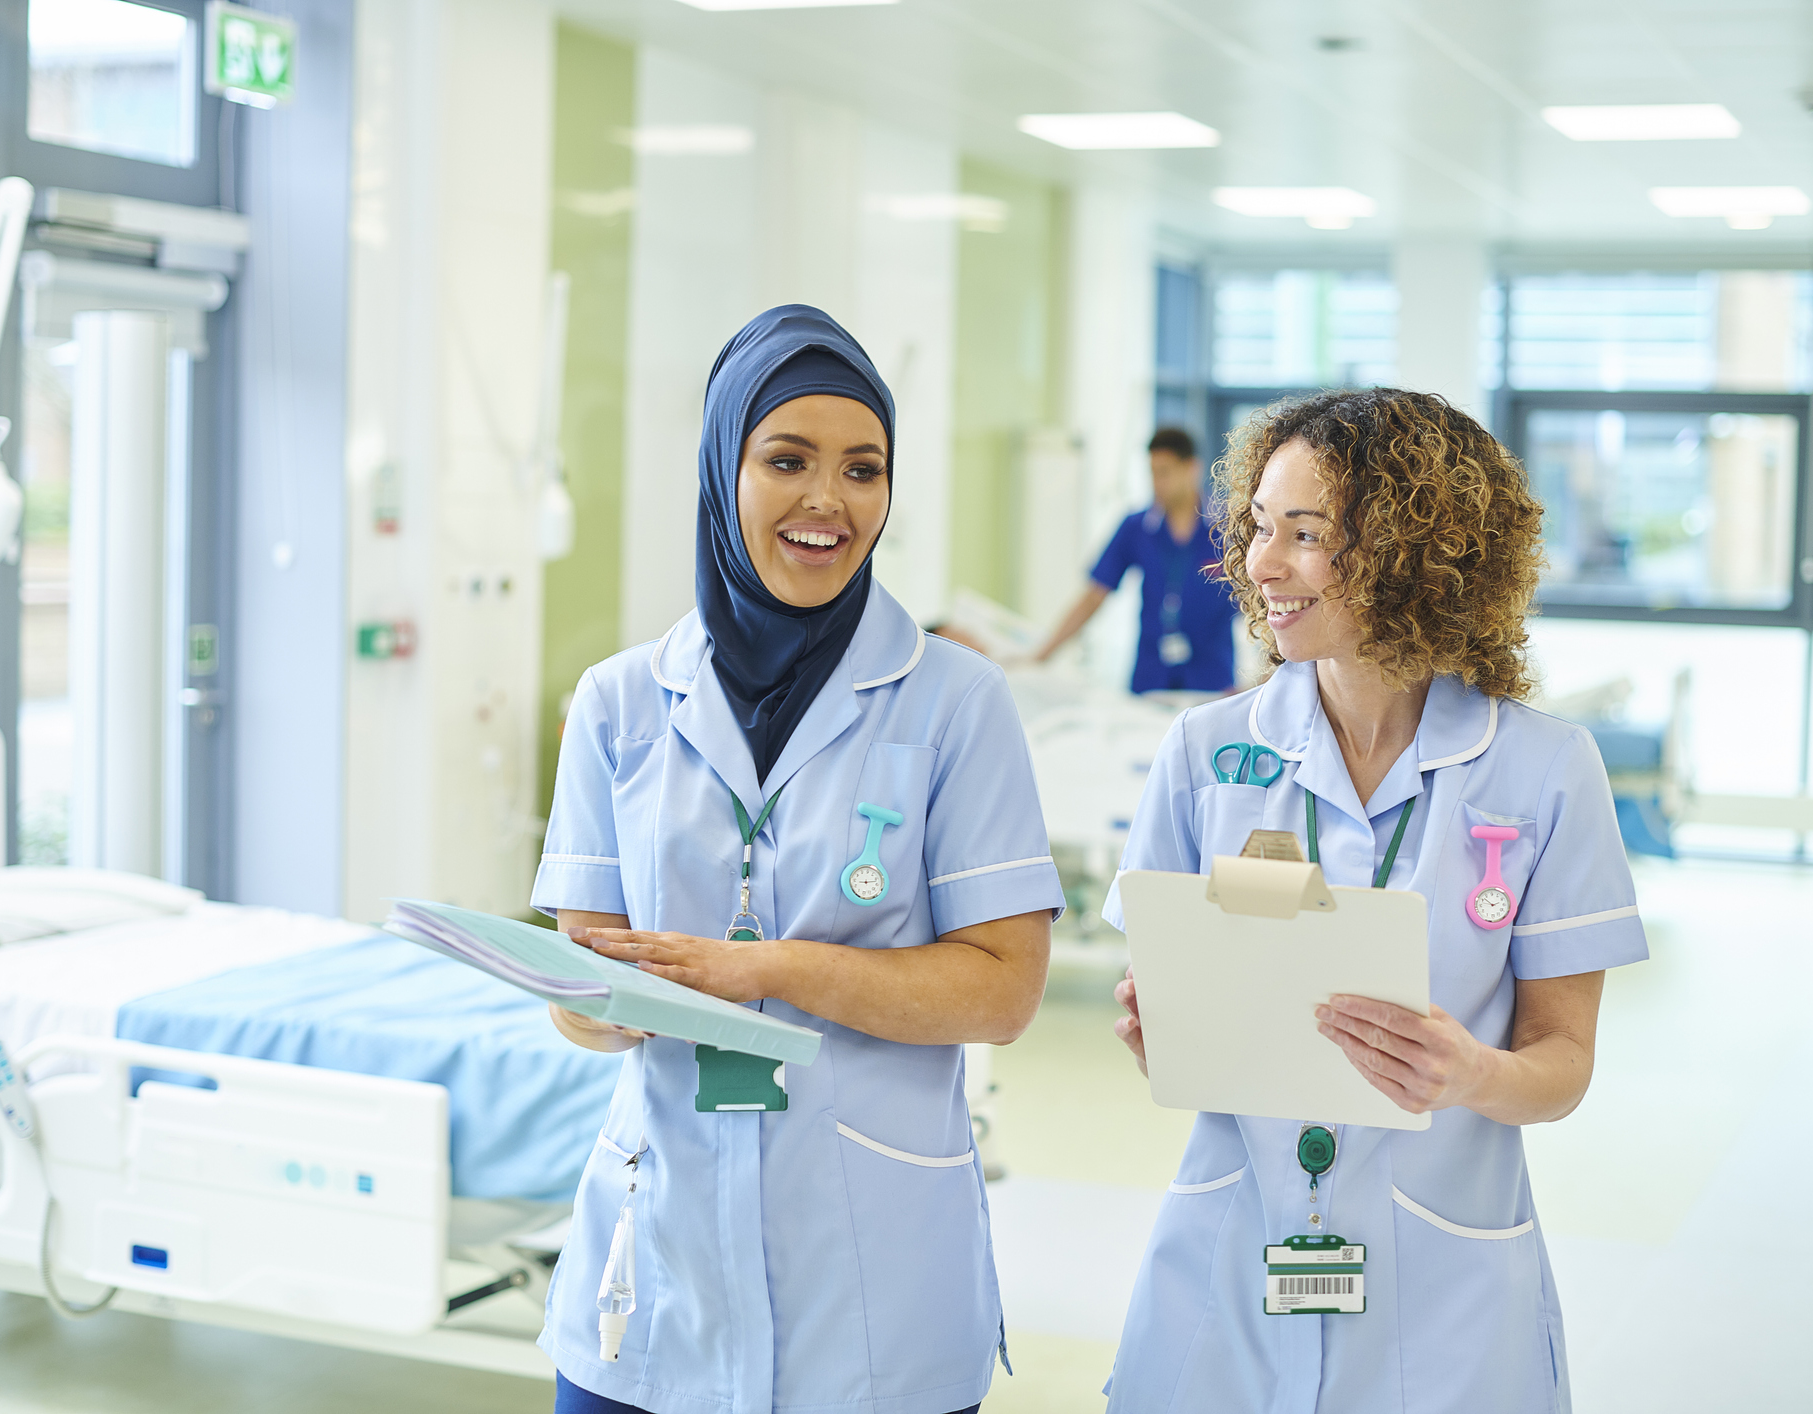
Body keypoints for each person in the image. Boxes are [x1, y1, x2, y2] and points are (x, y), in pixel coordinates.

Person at [533, 305, 1065, 1414]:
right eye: (788, 460)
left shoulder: (955, 702)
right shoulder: (621, 702)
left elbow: (1005, 989)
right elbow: (576, 1006)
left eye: (863, 469)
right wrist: (610, 999)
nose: (830, 500)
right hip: (651, 1274)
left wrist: (769, 972)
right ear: (723, 471)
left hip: (872, 1290)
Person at [1104, 389, 1647, 1412]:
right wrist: (1161, 1033)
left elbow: (1563, 1066)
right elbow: (1170, 1017)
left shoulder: (1544, 772)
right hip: (1233, 1248)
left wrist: (1471, 1071)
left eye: (1305, 536)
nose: (1261, 565)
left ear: (1414, 554)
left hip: (1441, 1274)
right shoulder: (1204, 755)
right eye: (1260, 527)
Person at [1034, 427, 1240, 693]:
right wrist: (1042, 655)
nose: (1157, 483)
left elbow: (1261, 600)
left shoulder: (1227, 528)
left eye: (1165, 472)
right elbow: (1094, 596)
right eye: (1152, 473)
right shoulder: (1137, 527)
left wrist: (1265, 680)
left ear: (1192, 468)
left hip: (1213, 680)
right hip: (1151, 678)